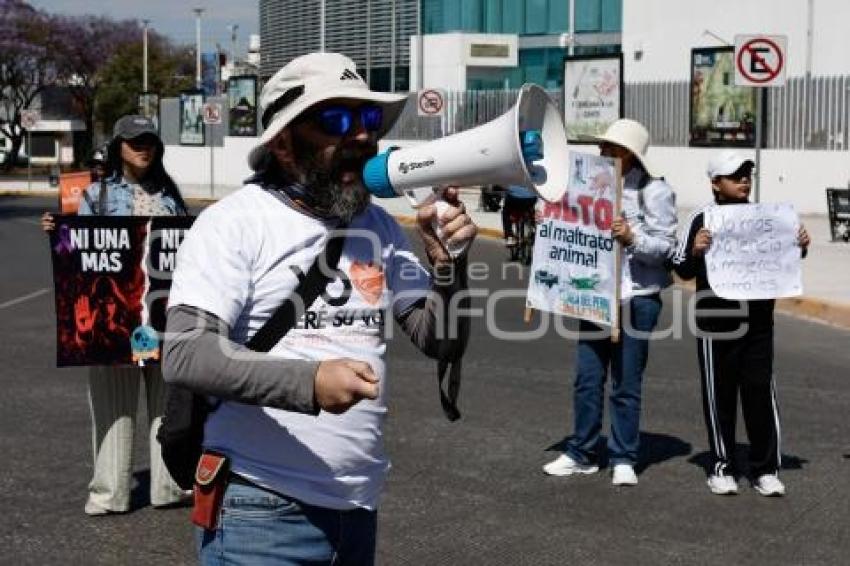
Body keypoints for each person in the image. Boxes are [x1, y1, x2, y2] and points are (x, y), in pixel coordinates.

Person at [162, 52, 477, 565]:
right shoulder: (235, 223)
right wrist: (309, 383)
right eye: (336, 119)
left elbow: (439, 338)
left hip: (357, 509)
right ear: (284, 144)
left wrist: (448, 268)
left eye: (368, 119)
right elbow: (186, 355)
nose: (360, 136)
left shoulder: (379, 228)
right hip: (258, 510)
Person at [41, 114, 189, 515]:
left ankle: (170, 487)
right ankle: (109, 494)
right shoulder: (96, 196)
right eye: (134, 141)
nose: (143, 147)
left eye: (149, 141)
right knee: (111, 408)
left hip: (162, 317)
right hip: (112, 319)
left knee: (167, 406)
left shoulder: (171, 197)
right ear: (118, 147)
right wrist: (58, 228)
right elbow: (78, 254)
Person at [542, 119, 678, 486]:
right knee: (587, 378)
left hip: (637, 298)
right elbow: (570, 223)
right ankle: (581, 452)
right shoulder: (586, 184)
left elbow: (667, 248)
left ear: (630, 154)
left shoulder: (655, 191)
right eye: (602, 147)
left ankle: (623, 456)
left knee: (625, 382)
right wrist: (551, 221)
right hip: (596, 297)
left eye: (611, 148)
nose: (602, 153)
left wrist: (632, 237)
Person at [672, 150, 810, 496]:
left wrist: (800, 245)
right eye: (735, 175)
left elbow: (784, 257)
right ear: (716, 183)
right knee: (720, 396)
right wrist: (696, 250)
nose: (744, 180)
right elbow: (680, 267)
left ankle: (765, 469)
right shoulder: (701, 217)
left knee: (760, 392)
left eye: (747, 174)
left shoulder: (766, 216)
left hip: (759, 320)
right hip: (716, 320)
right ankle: (722, 466)